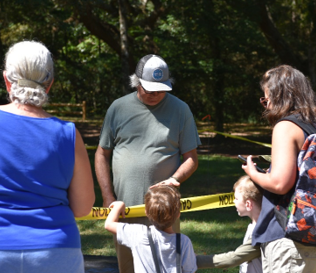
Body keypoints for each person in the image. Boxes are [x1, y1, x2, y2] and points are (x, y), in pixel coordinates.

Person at [95, 54, 201, 272]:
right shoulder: (118, 108)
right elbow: (101, 154)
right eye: (149, 89)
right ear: (136, 82)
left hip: (164, 213)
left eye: (160, 89)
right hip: (126, 213)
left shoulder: (181, 110)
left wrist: (174, 179)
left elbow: (191, 159)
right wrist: (107, 196)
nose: (154, 94)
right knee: (128, 267)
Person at [0, 41, 95, 273]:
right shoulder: (69, 135)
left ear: (6, 81)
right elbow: (83, 207)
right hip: (57, 252)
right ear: (49, 84)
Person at [242, 65, 316, 273]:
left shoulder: (286, 126)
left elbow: (280, 183)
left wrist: (253, 173)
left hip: (289, 238)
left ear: (279, 96)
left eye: (267, 99)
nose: (267, 106)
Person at [104, 185, 197, 273]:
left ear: (146, 213)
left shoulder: (138, 234)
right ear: (178, 214)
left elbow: (109, 224)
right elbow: (190, 270)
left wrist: (118, 205)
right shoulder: (184, 241)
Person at [197, 175, 263, 273]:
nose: (233, 201)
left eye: (236, 198)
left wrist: (194, 261)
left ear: (248, 204)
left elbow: (233, 258)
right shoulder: (257, 226)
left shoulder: (261, 232)